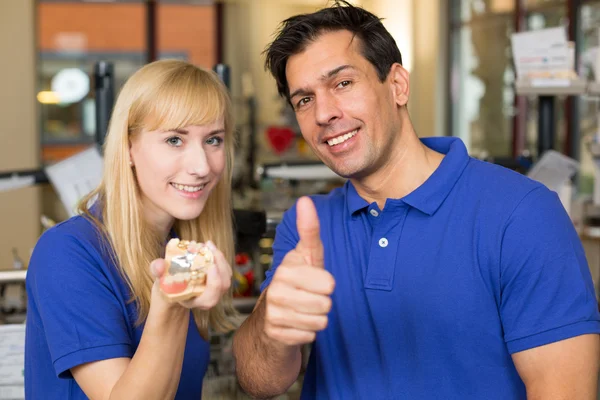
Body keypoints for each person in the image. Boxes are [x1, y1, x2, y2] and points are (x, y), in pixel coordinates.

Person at [232, 1, 600, 399]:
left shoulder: (521, 213)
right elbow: (259, 381)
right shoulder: (308, 227)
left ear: (397, 86)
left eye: (342, 83)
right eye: (304, 99)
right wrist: (273, 323)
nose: (323, 113)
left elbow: (565, 391)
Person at [25, 59, 237, 399]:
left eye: (213, 139)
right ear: (128, 147)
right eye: (174, 140)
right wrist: (172, 305)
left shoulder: (178, 249)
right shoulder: (66, 252)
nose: (201, 166)